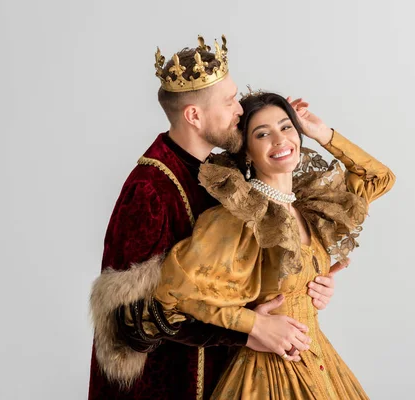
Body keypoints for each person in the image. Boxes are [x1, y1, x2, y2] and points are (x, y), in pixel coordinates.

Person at [88, 37, 342, 400]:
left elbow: (238, 274)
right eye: (228, 101)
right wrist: (250, 328)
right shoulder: (150, 190)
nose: (240, 109)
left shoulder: (224, 174)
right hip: (168, 385)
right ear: (194, 115)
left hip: (236, 377)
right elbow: (131, 321)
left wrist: (306, 284)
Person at [154, 91, 396, 399]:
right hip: (268, 375)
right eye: (263, 134)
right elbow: (176, 294)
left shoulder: (308, 204)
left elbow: (379, 177)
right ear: (247, 152)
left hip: (321, 363)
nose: (280, 140)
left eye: (286, 127)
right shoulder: (242, 216)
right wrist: (253, 324)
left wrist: (321, 133)